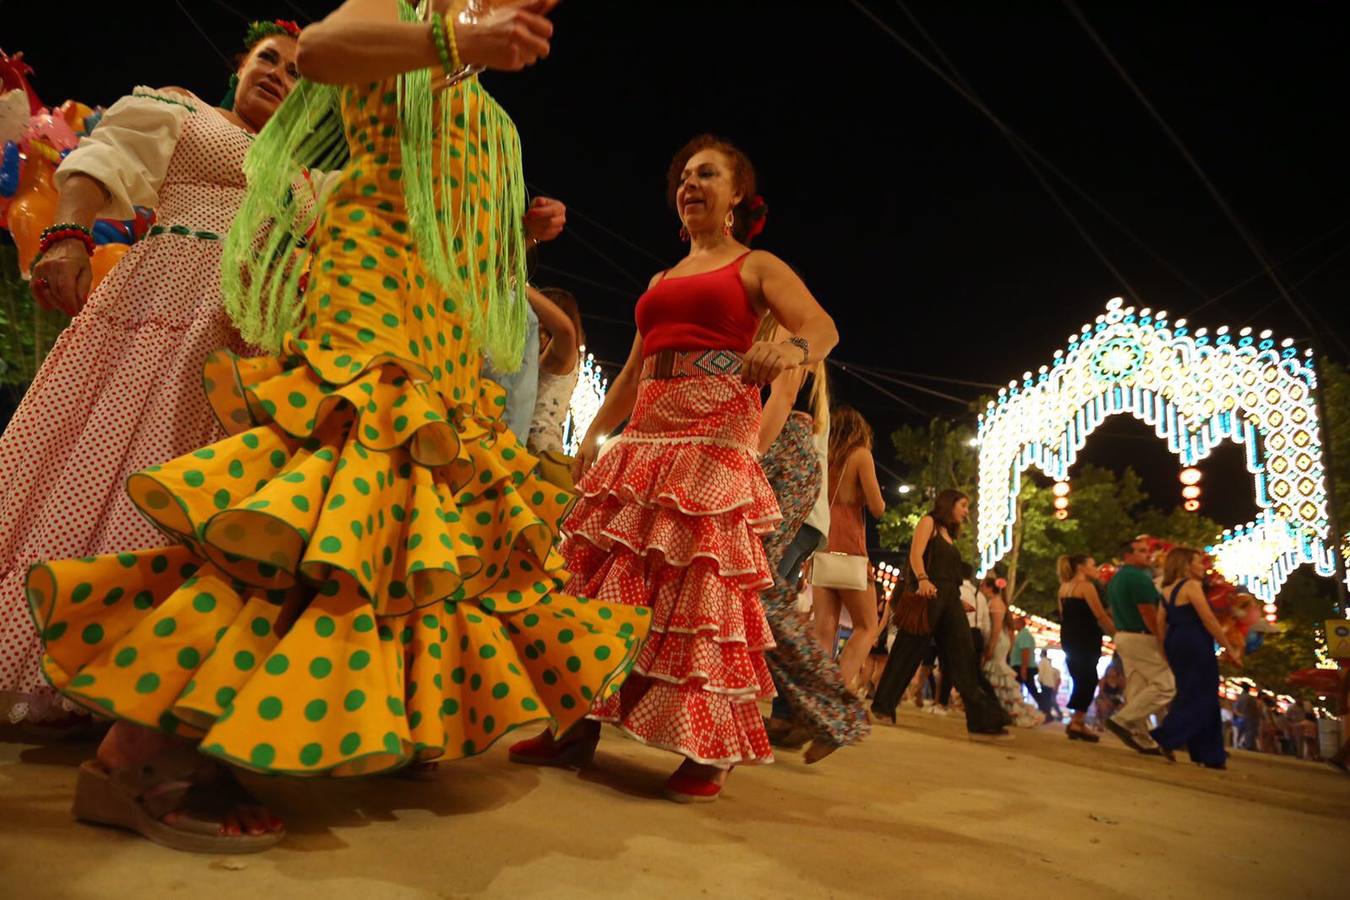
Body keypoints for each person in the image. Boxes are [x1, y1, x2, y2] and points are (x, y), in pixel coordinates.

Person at [26, 1, 651, 852]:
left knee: (392, 533)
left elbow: (434, 209)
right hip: (367, 303)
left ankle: (365, 722)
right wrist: (458, 38)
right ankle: (135, 756)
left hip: (433, 328)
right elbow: (321, 48)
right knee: (305, 515)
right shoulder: (409, 18)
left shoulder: (483, 101)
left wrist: (515, 231)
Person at [508, 133, 839, 802]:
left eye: (707, 174)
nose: (691, 184)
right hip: (646, 439)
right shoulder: (661, 281)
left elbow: (822, 326)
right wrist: (593, 435)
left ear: (737, 194)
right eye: (684, 176)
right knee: (604, 585)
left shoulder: (756, 265)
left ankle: (706, 751)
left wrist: (792, 351)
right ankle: (575, 723)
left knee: (699, 592)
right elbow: (634, 370)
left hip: (715, 436)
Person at [0, 20, 306, 731]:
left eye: (296, 74)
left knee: (193, 499)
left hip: (249, 352)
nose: (278, 75)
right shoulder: (186, 111)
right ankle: (56, 654)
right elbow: (105, 160)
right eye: (268, 60)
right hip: (161, 309)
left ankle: (147, 678)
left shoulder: (306, 176)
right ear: (239, 65)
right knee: (99, 468)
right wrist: (69, 234)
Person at [755, 322, 866, 763]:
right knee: (762, 605)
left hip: (786, 486)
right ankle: (803, 714)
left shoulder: (787, 338)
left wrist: (748, 458)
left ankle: (833, 712)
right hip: (798, 501)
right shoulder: (795, 347)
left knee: (761, 603)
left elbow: (781, 401)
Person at [870, 491, 1010, 739]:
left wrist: (956, 601)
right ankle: (882, 707)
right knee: (906, 652)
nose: (966, 511)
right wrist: (923, 579)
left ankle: (982, 720)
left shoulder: (949, 534)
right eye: (963, 505)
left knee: (964, 656)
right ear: (950, 504)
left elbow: (948, 576)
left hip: (949, 600)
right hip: (927, 598)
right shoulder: (929, 522)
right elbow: (915, 555)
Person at [811, 406, 884, 692]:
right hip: (851, 550)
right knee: (867, 627)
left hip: (822, 548)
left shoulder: (822, 456)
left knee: (823, 629)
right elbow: (878, 507)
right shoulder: (860, 455)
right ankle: (834, 693)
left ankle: (815, 691)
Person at [1150, 547, 1242, 768]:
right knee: (1203, 694)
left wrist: (1164, 648)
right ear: (1186, 565)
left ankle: (1209, 753)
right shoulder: (1191, 585)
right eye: (1198, 562)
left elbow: (1160, 622)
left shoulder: (1166, 589)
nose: (1203, 566)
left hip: (1176, 640)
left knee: (1190, 691)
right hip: (1195, 640)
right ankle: (1168, 735)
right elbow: (1208, 618)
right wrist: (1228, 647)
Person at [1104, 537, 1175, 754]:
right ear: (1128, 555)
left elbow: (1111, 610)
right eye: (1142, 551)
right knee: (1166, 685)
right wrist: (1162, 638)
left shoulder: (1116, 579)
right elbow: (1148, 611)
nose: (1148, 554)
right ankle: (1122, 720)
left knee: (1137, 686)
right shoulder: (1138, 578)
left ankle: (1142, 737)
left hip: (1124, 635)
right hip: (1141, 636)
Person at [1057, 554, 1114, 742]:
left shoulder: (1063, 588)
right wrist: (1115, 634)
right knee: (1088, 678)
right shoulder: (1086, 587)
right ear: (1081, 567)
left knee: (1080, 677)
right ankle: (1077, 720)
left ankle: (1078, 721)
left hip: (1069, 636)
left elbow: (1063, 614)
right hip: (1086, 636)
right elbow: (1100, 615)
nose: (1096, 568)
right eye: (1092, 564)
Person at [524, 286, 582, 456]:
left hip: (541, 451)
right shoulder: (538, 355)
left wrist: (519, 286)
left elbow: (565, 330)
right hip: (529, 446)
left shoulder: (561, 354)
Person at [981, 585, 1042, 728]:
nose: (982, 589)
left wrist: (991, 645)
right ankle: (999, 708)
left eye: (984, 586)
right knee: (997, 673)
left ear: (990, 588)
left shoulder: (995, 603)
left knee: (996, 671)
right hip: (1001, 641)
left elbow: (996, 627)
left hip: (998, 641)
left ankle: (1000, 709)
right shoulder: (1000, 603)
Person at [1008, 614, 1039, 708]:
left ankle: (1045, 708)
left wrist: (1023, 668)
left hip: (1022, 666)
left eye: (1015, 622)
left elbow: (1025, 651)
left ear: (1020, 623)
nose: (1013, 624)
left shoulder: (1023, 634)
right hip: (1022, 666)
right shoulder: (1021, 634)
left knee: (1028, 690)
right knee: (1023, 690)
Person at [1037, 649, 1063, 722]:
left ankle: (1049, 716)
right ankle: (1048, 715)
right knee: (1048, 701)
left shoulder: (1043, 662)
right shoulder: (1048, 665)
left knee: (1049, 701)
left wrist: (1040, 681)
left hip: (1047, 685)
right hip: (1050, 685)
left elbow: (1041, 673)